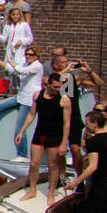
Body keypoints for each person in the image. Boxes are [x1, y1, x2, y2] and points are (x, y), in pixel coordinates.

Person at [17, 72, 71, 205]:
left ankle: (51, 194)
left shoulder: (64, 100)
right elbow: (31, 114)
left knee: (52, 166)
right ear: (48, 85)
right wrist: (22, 131)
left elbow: (67, 123)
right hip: (40, 133)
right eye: (55, 87)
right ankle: (32, 190)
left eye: (60, 87)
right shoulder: (38, 95)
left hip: (55, 136)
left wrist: (64, 143)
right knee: (34, 163)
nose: (58, 90)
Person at [63, 110, 107, 213]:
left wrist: (75, 182)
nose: (85, 126)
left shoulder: (93, 141)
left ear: (95, 124)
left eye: (87, 123)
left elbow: (93, 167)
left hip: (103, 182)